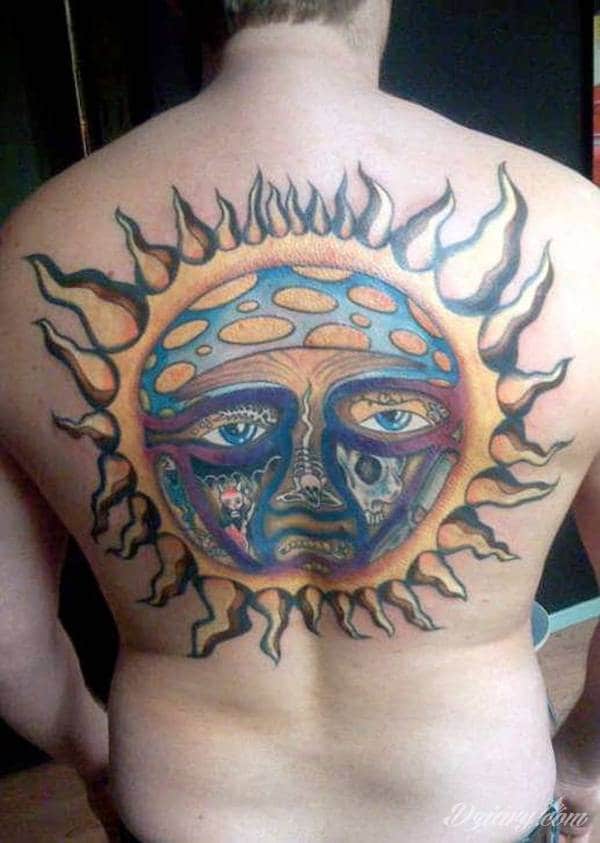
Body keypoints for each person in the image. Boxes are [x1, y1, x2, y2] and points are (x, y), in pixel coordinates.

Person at [1, 1, 600, 840]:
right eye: (235, 430)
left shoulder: (28, 257)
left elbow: (9, 642)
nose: (312, 483)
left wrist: (96, 755)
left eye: (386, 416)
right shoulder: (574, 234)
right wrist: (584, 761)